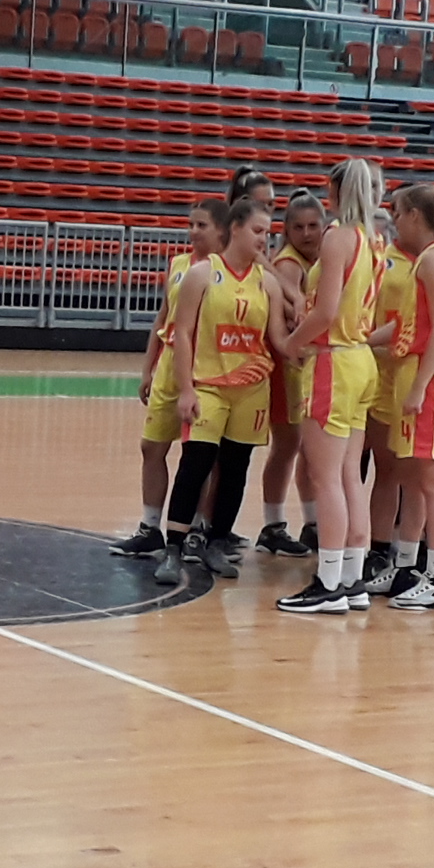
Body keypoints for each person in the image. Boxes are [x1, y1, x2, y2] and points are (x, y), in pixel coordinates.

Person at [151, 192, 281, 587]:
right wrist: (186, 389)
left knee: (236, 468)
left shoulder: (268, 283)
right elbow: (182, 333)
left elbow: (279, 340)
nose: (264, 239)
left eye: (268, 233)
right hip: (208, 385)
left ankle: (215, 540)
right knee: (196, 463)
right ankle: (173, 548)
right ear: (235, 229)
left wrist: (321, 346)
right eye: (258, 231)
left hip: (251, 389)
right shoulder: (203, 274)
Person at [276, 160, 388, 614]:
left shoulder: (338, 236)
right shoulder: (374, 238)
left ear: (335, 191)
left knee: (325, 478)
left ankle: (327, 583)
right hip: (360, 359)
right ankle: (351, 579)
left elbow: (325, 312)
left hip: (334, 360)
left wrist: (291, 343)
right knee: (348, 477)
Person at [374, 183, 434, 611]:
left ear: (415, 215)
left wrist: (419, 386)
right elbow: (407, 326)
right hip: (412, 370)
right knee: (412, 477)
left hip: (426, 375)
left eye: (398, 213)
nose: (395, 221)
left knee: (433, 477)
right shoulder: (427, 260)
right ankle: (406, 566)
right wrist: (359, 339)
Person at [114, 199, 218, 559]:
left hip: (202, 366)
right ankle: (149, 527)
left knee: (198, 456)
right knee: (152, 447)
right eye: (191, 224)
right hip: (170, 362)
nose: (193, 231)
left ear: (220, 230)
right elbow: (163, 317)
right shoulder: (178, 265)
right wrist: (148, 368)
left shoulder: (220, 271)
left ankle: (194, 529)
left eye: (202, 225)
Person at [252, 189, 325, 558]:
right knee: (287, 446)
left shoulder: (323, 258)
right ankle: (273, 523)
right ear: (287, 230)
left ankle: (311, 523)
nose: (307, 233)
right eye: (299, 227)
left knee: (307, 449)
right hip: (288, 364)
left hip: (309, 363)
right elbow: (293, 309)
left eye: (313, 226)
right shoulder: (288, 264)